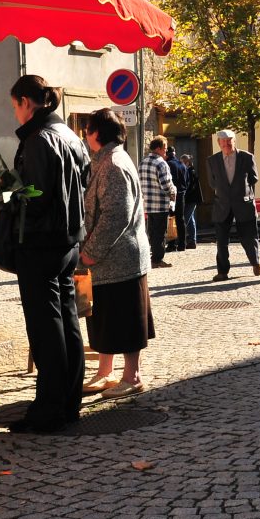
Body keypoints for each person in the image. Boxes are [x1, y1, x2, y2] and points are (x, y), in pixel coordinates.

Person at [4, 74, 90, 433]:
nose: (15, 115)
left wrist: (5, 199)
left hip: (42, 242)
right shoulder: (69, 134)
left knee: (46, 326)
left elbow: (35, 199)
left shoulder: (40, 139)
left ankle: (50, 409)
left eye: (14, 107)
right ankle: (69, 402)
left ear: (26, 102)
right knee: (67, 320)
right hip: (68, 239)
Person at [79, 110, 152, 398]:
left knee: (125, 319)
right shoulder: (105, 160)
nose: (85, 135)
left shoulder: (113, 163)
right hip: (107, 261)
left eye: (87, 129)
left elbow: (115, 216)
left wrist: (90, 253)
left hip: (119, 258)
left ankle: (132, 376)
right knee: (105, 318)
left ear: (97, 133)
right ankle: (105, 372)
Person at [206, 130, 260, 280]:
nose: (226, 144)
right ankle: (222, 272)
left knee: (248, 237)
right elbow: (212, 183)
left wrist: (242, 191)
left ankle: (255, 262)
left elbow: (253, 178)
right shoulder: (212, 161)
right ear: (218, 143)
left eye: (229, 140)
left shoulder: (246, 157)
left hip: (243, 203)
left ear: (234, 141)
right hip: (222, 205)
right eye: (223, 141)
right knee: (222, 241)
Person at [141, 136, 176, 268]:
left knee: (152, 232)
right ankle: (157, 259)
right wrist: (173, 194)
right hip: (160, 204)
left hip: (148, 204)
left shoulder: (143, 162)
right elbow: (166, 185)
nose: (165, 152)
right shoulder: (161, 163)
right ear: (158, 148)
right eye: (165, 149)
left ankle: (153, 257)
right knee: (160, 233)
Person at [164, 148, 189, 252]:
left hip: (172, 195)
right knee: (180, 219)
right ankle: (182, 244)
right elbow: (187, 181)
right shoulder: (182, 164)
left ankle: (171, 244)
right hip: (181, 194)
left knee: (171, 219)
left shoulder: (167, 164)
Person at [179, 153, 202, 250]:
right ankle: (192, 241)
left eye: (182, 162)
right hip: (191, 199)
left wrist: (184, 195)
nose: (181, 164)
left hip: (191, 200)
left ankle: (182, 241)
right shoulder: (190, 171)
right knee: (191, 220)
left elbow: (190, 187)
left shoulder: (190, 172)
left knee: (185, 219)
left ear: (187, 162)